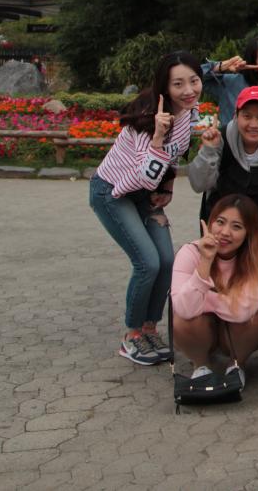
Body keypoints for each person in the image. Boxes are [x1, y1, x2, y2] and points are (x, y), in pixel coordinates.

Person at [90, 51, 202, 365]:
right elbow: (143, 174)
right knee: (148, 263)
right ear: (164, 86)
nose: (188, 90)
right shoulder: (147, 119)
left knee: (167, 261)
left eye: (194, 81)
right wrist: (158, 138)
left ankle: (150, 328)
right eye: (178, 84)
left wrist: (168, 186)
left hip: (145, 194)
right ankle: (132, 335)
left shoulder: (188, 111)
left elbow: (177, 153)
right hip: (113, 192)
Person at [170, 195, 258, 389]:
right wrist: (205, 262)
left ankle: (236, 364)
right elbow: (184, 309)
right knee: (182, 321)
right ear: (210, 223)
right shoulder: (189, 252)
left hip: (234, 330)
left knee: (255, 320)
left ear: (248, 232)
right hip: (201, 328)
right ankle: (201, 364)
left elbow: (243, 311)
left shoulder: (257, 258)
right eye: (220, 222)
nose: (225, 233)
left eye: (236, 227)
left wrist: (204, 298)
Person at [187, 85, 258, 260]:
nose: (254, 124)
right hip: (221, 219)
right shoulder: (220, 138)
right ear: (236, 116)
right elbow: (199, 185)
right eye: (247, 116)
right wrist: (209, 151)